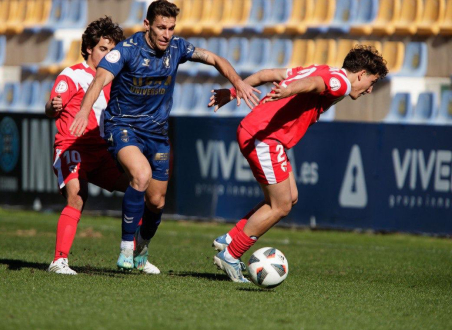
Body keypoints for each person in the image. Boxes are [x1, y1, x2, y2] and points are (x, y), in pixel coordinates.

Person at [69, 0, 259, 272]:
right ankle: (126, 247)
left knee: (157, 202)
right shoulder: (127, 51)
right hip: (123, 126)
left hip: (157, 133)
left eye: (171, 28)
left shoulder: (178, 48)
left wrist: (238, 82)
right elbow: (99, 79)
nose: (166, 34)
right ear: (147, 25)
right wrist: (82, 112)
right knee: (141, 175)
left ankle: (141, 248)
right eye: (161, 27)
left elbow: (214, 58)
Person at [209, 45, 389, 282]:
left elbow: (267, 74)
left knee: (290, 197)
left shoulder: (321, 69)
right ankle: (231, 255)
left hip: (262, 134)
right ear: (361, 74)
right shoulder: (341, 83)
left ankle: (231, 239)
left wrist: (233, 93)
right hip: (264, 137)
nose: (369, 90)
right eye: (372, 81)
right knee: (281, 206)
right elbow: (314, 84)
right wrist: (289, 90)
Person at [45, 16, 159, 275]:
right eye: (102, 49)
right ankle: (59, 261)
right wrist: (52, 106)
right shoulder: (73, 75)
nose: (108, 55)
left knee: (140, 189)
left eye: (112, 50)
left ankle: (138, 257)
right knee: (77, 195)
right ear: (88, 48)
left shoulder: (114, 81)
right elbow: (53, 105)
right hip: (72, 148)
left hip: (102, 153)